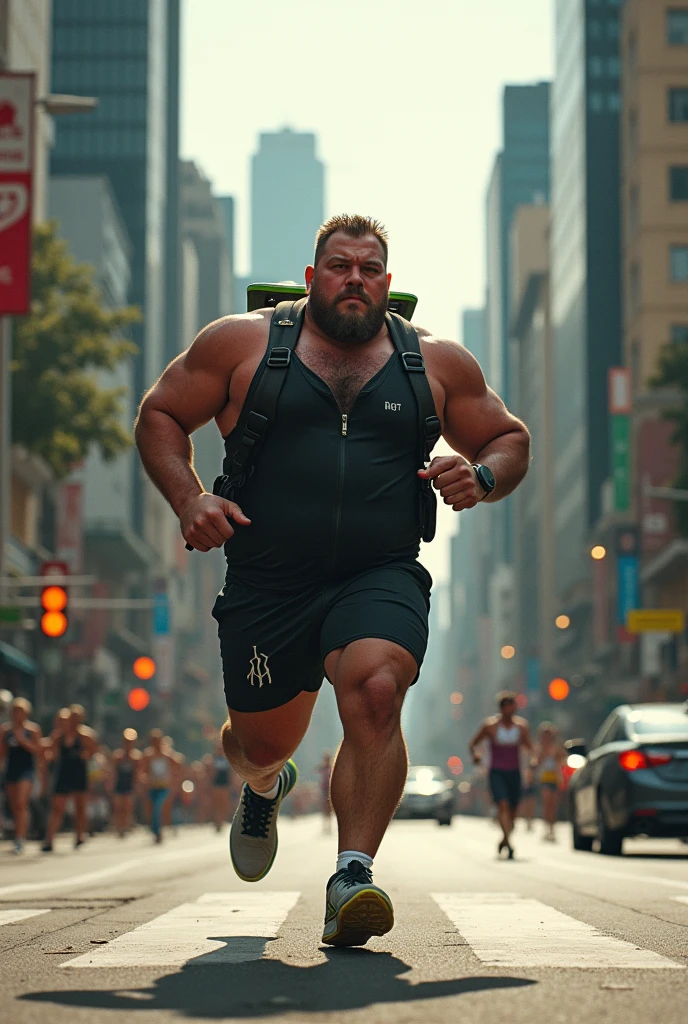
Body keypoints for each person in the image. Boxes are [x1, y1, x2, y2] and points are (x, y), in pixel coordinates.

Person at [135, 213, 530, 947]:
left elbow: (510, 437)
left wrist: (480, 474)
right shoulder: (243, 344)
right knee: (260, 743)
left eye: (370, 267)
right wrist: (191, 498)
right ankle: (263, 786)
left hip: (378, 572)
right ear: (313, 278)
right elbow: (160, 413)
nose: (356, 277)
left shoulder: (435, 364)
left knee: (379, 688)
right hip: (268, 582)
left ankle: (353, 874)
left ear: (388, 283)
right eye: (341, 265)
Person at [469, 692, 534, 859]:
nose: (509, 710)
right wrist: (476, 756)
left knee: (513, 810)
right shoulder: (490, 726)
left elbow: (530, 747)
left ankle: (504, 839)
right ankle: (509, 845)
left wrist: (533, 761)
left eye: (512, 707)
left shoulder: (521, 727)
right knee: (502, 804)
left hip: (514, 771)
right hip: (496, 771)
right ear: (501, 708)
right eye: (506, 707)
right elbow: (473, 744)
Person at [42, 705, 98, 852]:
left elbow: (93, 752)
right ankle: (49, 839)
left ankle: (79, 836)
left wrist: (84, 755)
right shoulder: (58, 736)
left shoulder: (85, 735)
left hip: (79, 773)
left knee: (80, 807)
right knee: (57, 808)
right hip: (63, 774)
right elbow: (50, 753)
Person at [0, 698, 43, 853]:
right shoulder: (5, 731)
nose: (18, 715)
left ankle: (20, 838)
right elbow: (2, 753)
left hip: (27, 770)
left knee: (21, 802)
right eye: (15, 711)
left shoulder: (32, 730)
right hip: (11, 770)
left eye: (21, 712)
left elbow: (38, 750)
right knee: (14, 806)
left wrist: (23, 741)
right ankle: (19, 833)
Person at [141, 730, 176, 843]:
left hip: (164, 787)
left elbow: (178, 768)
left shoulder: (168, 755)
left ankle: (159, 831)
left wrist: (173, 781)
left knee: (158, 807)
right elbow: (143, 770)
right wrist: (144, 779)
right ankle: (155, 830)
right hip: (152, 787)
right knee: (151, 809)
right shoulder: (148, 756)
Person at [535, 722, 564, 842]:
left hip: (555, 777)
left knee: (554, 804)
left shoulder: (557, 746)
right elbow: (537, 761)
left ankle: (552, 828)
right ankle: (546, 827)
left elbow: (562, 758)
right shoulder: (540, 747)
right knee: (547, 802)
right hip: (545, 778)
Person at [111, 728, 142, 837]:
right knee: (118, 807)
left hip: (130, 785)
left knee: (127, 807)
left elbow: (138, 773)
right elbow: (113, 772)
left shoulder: (136, 757)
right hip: (119, 784)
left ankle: (124, 826)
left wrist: (137, 786)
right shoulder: (118, 756)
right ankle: (119, 826)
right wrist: (111, 785)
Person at [210, 741, 232, 832]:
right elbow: (210, 773)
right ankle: (217, 821)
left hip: (225, 784)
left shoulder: (227, 759)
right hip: (216, 784)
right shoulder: (212, 759)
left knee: (224, 804)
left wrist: (231, 783)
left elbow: (230, 773)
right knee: (216, 803)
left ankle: (221, 821)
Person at [317, 751, 333, 834]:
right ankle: (325, 826)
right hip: (324, 789)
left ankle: (329, 826)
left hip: (329, 789)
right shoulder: (323, 768)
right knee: (324, 807)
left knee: (329, 807)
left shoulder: (331, 767)